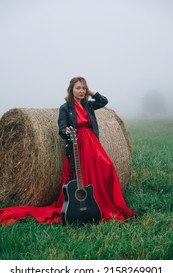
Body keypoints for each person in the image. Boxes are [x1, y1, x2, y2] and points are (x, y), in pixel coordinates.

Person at [0, 77, 136, 225]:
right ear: (71, 90)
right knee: (83, 174)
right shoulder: (65, 108)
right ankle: (87, 204)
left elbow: (103, 101)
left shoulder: (89, 106)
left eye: (84, 88)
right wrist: (66, 131)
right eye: (78, 88)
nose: (82, 91)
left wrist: (91, 91)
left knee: (107, 167)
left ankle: (103, 201)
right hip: (77, 145)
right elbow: (61, 128)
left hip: (92, 143)